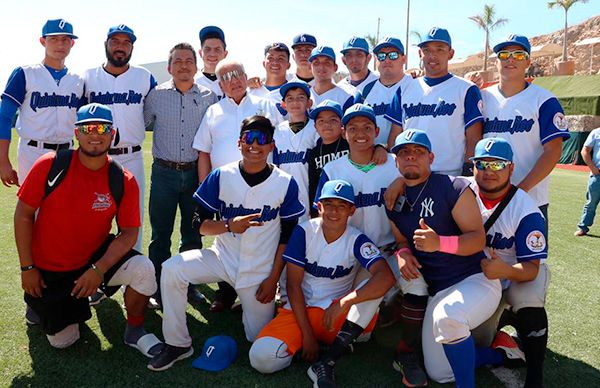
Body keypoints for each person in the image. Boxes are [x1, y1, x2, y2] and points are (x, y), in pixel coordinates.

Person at [148, 115, 304, 371]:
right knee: (172, 268)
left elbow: (287, 237)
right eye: (249, 139)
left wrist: (273, 278)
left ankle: (250, 309)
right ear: (239, 143)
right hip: (221, 259)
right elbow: (199, 225)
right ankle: (177, 344)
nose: (255, 145)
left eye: (262, 139)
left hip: (259, 270)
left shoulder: (285, 182)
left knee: (258, 339)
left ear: (272, 146)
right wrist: (230, 225)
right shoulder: (221, 175)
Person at [14, 103, 162, 356]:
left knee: (144, 269)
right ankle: (41, 305)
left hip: (92, 260)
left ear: (112, 134)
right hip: (52, 268)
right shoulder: (50, 165)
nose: (96, 134)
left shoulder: (122, 178)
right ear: (76, 134)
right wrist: (27, 268)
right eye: (88, 128)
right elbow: (24, 215)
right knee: (63, 341)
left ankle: (135, 330)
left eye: (103, 128)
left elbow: (129, 233)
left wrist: (98, 270)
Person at [249, 179, 395, 386]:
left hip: (335, 314)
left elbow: (386, 277)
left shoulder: (357, 239)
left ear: (351, 210)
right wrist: (307, 335)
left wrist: (344, 302)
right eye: (328, 205)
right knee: (261, 359)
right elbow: (293, 285)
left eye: (341, 206)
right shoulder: (304, 231)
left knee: (374, 288)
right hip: (299, 311)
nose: (334, 211)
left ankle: (327, 353)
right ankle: (322, 344)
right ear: (319, 206)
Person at [387, 129, 501, 387]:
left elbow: (477, 239)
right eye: (404, 153)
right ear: (396, 161)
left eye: (418, 152)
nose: (411, 157)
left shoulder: (454, 187)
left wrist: (440, 243)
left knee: (449, 317)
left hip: (474, 280)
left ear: (431, 157)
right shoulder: (393, 198)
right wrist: (403, 253)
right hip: (438, 291)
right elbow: (402, 239)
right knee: (439, 372)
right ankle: (500, 353)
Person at [193, 60, 283, 312]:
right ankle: (225, 294)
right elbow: (204, 151)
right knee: (227, 240)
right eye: (227, 77)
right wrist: (205, 188)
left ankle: (261, 292)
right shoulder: (214, 111)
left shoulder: (264, 104)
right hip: (225, 189)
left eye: (238, 74)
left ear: (246, 76)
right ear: (220, 84)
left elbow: (282, 141)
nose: (234, 80)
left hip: (263, 184)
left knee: (262, 236)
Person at [470, 137, 548, 388]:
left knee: (530, 300)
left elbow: (531, 269)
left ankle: (535, 374)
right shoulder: (461, 190)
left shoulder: (526, 209)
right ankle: (504, 326)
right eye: (482, 164)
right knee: (477, 341)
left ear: (511, 168)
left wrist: (503, 270)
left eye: (497, 165)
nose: (488, 172)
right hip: (479, 279)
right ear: (472, 167)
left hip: (516, 274)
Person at [143, 43, 217, 308]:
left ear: (196, 67)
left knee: (192, 233)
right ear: (169, 67)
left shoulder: (209, 96)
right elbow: (140, 123)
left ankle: (189, 285)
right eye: (178, 61)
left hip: (195, 174)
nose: (184, 65)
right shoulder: (156, 95)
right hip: (164, 173)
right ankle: (158, 286)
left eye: (189, 61)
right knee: (160, 234)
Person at [83, 24, 157, 253]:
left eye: (126, 43)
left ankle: (133, 282)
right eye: (115, 41)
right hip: (96, 159)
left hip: (132, 156)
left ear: (132, 47)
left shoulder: (144, 77)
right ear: (106, 44)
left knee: (133, 219)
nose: (120, 47)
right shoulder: (87, 77)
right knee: (94, 218)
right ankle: (94, 277)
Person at [481, 34, 570, 224]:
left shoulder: (544, 100)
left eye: (519, 55)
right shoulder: (482, 97)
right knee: (480, 253)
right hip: (484, 199)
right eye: (504, 54)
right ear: (496, 62)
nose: (511, 59)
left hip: (530, 199)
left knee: (530, 254)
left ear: (528, 61)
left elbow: (553, 150)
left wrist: (520, 190)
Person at [385, 27, 483, 176]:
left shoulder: (466, 89)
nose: (432, 56)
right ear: (420, 54)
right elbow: (395, 136)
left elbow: (474, 137)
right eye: (427, 50)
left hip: (450, 175)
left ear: (451, 54)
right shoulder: (404, 88)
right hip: (410, 176)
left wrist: (468, 173)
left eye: (440, 49)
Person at [0, 19, 83, 187]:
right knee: (31, 210)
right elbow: (4, 117)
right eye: (53, 39)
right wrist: (3, 161)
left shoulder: (79, 80)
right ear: (42, 41)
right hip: (33, 152)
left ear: (72, 43)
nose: (60, 44)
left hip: (67, 153)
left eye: (65, 39)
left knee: (65, 209)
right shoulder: (25, 73)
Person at [315, 104, 399, 254]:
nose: (360, 134)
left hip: (391, 248)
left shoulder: (395, 164)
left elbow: (421, 182)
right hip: (348, 251)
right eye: (353, 129)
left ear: (377, 131)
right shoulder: (332, 169)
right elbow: (320, 213)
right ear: (343, 133)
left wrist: (402, 182)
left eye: (367, 128)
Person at [354, 36, 413, 148]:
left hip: (407, 157)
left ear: (404, 59)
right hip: (371, 159)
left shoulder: (415, 85)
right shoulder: (365, 91)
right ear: (376, 60)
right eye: (381, 56)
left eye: (393, 55)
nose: (387, 60)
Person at [272, 81, 316, 221]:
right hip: (284, 196)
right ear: (283, 104)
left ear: (309, 103)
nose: (295, 102)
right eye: (290, 98)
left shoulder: (316, 129)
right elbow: (274, 166)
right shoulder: (278, 131)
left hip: (309, 194)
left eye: (300, 98)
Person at [307, 100, 349, 218]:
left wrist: (379, 148)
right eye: (321, 121)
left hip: (349, 199)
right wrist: (314, 210)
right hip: (327, 206)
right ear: (315, 126)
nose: (327, 124)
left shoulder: (349, 144)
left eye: (333, 120)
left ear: (341, 124)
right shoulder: (314, 153)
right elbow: (313, 184)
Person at [575, 127, 600, 236]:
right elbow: (585, 151)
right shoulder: (596, 133)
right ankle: (583, 227)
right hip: (597, 175)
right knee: (591, 203)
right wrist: (593, 169)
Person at [195, 26, 228, 99]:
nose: (212, 54)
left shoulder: (234, 82)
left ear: (225, 54)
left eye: (217, 49)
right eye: (207, 49)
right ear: (200, 53)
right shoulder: (192, 83)